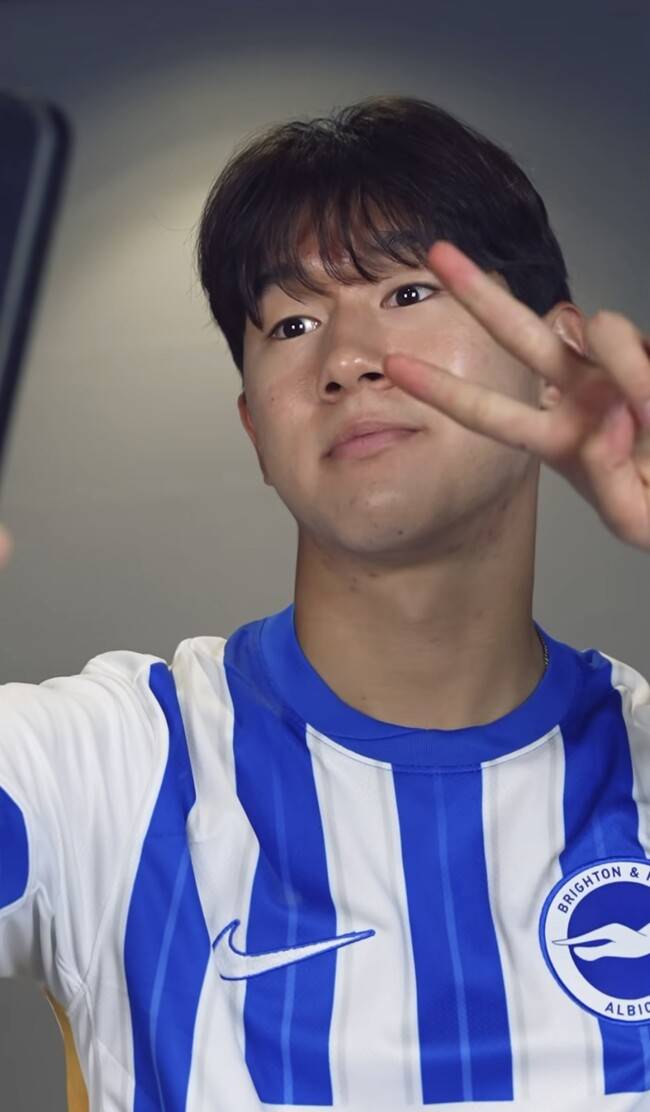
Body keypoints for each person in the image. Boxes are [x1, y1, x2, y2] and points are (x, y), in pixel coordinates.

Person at [1, 93, 650, 1112]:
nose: (345, 359)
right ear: (254, 428)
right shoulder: (110, 771)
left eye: (405, 291)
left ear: (554, 359)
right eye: (292, 322)